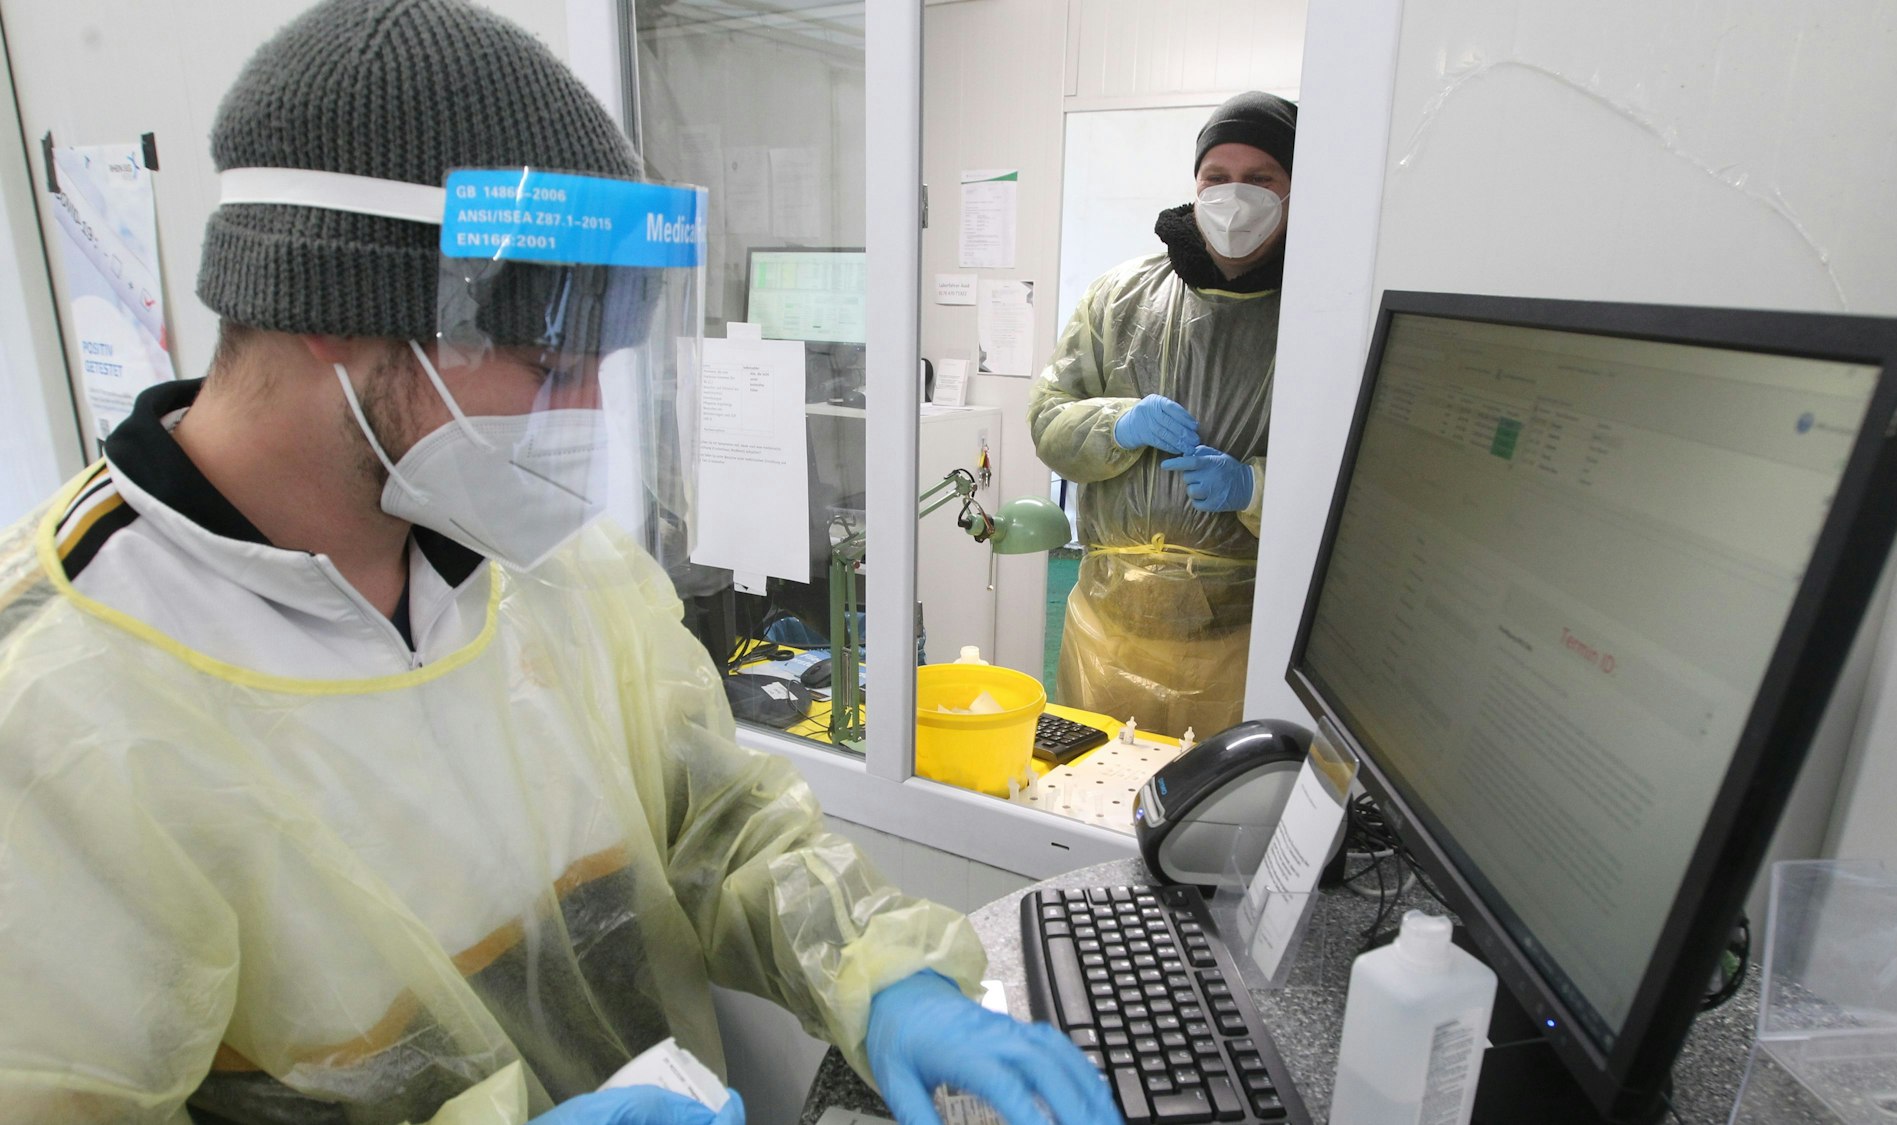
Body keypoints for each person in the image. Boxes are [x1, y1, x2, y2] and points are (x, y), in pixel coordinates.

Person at [0, 3, 1119, 1124]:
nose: (580, 420)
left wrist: (881, 973)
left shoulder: (541, 567)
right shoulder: (55, 707)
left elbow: (714, 821)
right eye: (547, 364)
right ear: (330, 307)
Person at [1028, 91, 1296, 740]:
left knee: (1211, 794)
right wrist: (1116, 425)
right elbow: (1048, 421)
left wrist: (1255, 487)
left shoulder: (1315, 313)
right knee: (1090, 784)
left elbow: (1351, 479)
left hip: (1239, 638)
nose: (1234, 197)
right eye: (1216, 177)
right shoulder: (1120, 297)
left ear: (1296, 189)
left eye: (1260, 179)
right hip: (1106, 630)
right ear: (1195, 184)